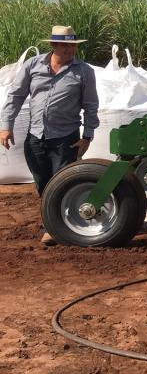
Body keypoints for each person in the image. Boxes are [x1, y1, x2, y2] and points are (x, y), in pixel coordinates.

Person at [0, 26, 99, 241]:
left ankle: (56, 229)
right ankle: (54, 222)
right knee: (43, 184)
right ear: (53, 45)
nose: (69, 49)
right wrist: (6, 126)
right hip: (36, 137)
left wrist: (87, 136)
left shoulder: (83, 71)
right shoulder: (33, 66)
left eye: (72, 45)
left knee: (62, 183)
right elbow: (15, 96)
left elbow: (91, 106)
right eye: (65, 45)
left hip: (65, 139)